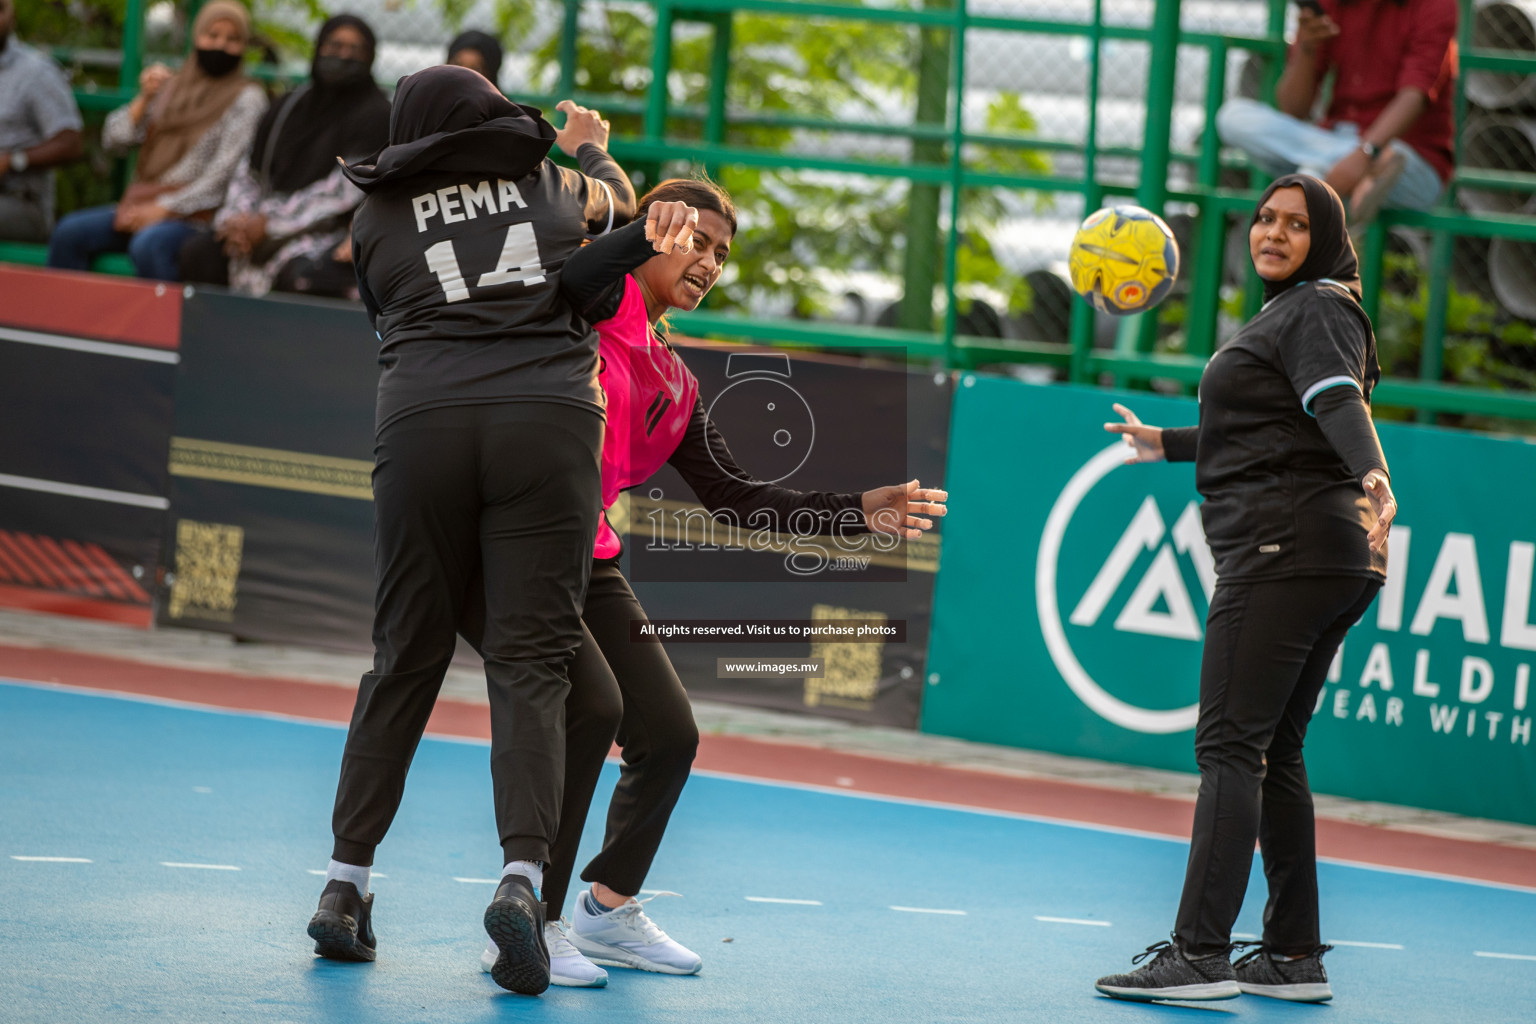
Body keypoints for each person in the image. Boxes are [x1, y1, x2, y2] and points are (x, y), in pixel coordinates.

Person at [465, 179, 950, 987]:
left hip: (591, 556)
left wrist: (862, 510)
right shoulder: (594, 296)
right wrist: (595, 160)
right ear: (659, 231)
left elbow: (742, 499)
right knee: (594, 707)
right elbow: (586, 242)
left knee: (669, 734)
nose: (711, 263)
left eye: (723, 253)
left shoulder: (677, 381)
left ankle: (605, 909)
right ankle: (531, 922)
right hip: (511, 543)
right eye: (699, 242)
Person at [303, 65, 635, 998]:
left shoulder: (373, 217)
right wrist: (590, 143)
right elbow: (626, 209)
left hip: (422, 424)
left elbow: (384, 317)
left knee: (402, 654)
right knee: (530, 662)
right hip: (548, 417)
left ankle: (344, 886)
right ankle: (523, 884)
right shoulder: (554, 184)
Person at [1092, 175, 1397, 1003]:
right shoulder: (1298, 311)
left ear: (1326, 238)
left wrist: (1374, 472)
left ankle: (1198, 954)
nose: (1273, 232)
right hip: (1325, 553)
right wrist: (1166, 442)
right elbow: (1273, 424)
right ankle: (1293, 956)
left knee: (1230, 749)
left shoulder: (1318, 309)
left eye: (1296, 224)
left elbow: (1334, 403)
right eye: (1265, 218)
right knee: (1276, 753)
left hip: (1283, 549)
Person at [46, 1, 265, 280]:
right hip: (142, 205)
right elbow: (114, 139)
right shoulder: (171, 88)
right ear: (196, 37)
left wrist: (163, 209)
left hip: (199, 218)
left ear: (244, 46)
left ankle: (162, 324)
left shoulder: (247, 99)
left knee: (150, 245)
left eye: (233, 39)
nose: (220, 45)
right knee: (69, 232)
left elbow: (222, 176)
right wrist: (145, 99)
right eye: (212, 35)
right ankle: (68, 319)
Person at [177, 14, 389, 297]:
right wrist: (238, 222)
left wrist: (270, 224)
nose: (343, 56)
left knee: (301, 276)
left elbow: (344, 190)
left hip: (325, 230)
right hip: (254, 225)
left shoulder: (378, 115)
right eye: (335, 46)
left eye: (355, 50)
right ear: (318, 49)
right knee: (199, 254)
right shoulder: (289, 106)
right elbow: (249, 172)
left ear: (370, 57)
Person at [1216, 0, 1457, 226]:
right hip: (1338, 146)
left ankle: (1329, 173)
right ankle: (1346, 172)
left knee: (1309, 183)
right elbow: (1293, 109)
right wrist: (1308, 46)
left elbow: (1415, 95)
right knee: (1232, 117)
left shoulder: (1435, 5)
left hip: (1411, 161)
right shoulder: (1330, 4)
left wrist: (1366, 153)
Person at [0, 0, 85, 242]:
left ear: (12, 16)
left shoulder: (36, 72)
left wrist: (12, 160)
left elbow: (71, 143)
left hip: (22, 202)